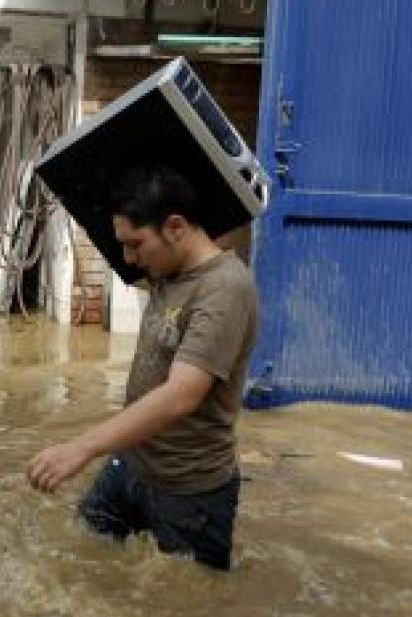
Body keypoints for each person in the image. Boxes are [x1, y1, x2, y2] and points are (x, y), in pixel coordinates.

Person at [26, 163, 258, 570]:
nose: (128, 258)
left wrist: (81, 447)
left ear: (175, 227)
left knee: (182, 611)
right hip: (130, 466)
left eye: (136, 244)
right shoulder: (167, 269)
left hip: (189, 492)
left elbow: (182, 394)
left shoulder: (224, 288)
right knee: (81, 558)